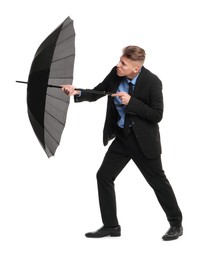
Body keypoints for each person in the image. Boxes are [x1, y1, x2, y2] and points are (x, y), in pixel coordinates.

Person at [62, 45, 183, 240]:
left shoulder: (152, 82)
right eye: (120, 60)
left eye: (123, 64)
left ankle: (176, 224)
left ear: (136, 69)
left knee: (158, 182)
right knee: (104, 176)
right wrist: (77, 92)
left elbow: (157, 115)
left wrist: (132, 102)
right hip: (123, 138)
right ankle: (111, 226)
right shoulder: (116, 73)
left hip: (143, 142)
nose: (118, 65)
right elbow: (98, 92)